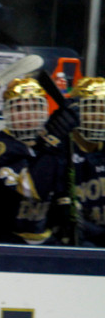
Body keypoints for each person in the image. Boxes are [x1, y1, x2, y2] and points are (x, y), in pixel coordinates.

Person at [0, 77, 80, 245]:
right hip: (5, 239)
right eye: (19, 108)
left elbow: (61, 190)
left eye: (34, 107)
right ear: (7, 112)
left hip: (44, 237)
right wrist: (51, 143)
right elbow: (29, 189)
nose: (28, 115)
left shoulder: (49, 142)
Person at [70, 77, 105, 247]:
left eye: (103, 110)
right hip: (75, 243)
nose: (99, 117)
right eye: (92, 109)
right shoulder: (61, 150)